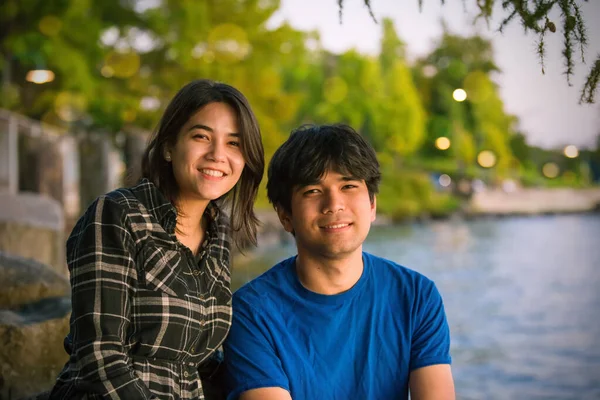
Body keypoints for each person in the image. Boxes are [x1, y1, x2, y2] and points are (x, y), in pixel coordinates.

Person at [48, 79, 265, 400]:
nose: (218, 154)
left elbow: (203, 362)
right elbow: (99, 356)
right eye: (201, 136)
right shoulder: (118, 214)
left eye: (234, 143)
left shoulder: (219, 234)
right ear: (168, 146)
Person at [223, 124, 455, 400]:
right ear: (285, 215)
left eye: (348, 186)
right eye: (312, 191)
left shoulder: (416, 296)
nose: (334, 204)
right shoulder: (252, 313)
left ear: (372, 205)